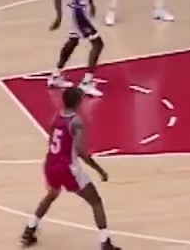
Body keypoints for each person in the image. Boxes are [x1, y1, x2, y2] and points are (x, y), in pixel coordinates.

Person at [20, 87, 120, 250]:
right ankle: (105, 243)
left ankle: (30, 229)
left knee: (52, 194)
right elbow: (81, 152)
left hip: (51, 164)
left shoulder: (56, 117)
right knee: (95, 201)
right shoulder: (76, 122)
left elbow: (51, 142)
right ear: (78, 102)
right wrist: (100, 170)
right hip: (67, 168)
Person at [46, 0, 104, 98]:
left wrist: (91, 2)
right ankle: (86, 83)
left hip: (79, 11)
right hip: (79, 15)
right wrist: (58, 18)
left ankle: (56, 75)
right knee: (98, 44)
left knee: (72, 41)